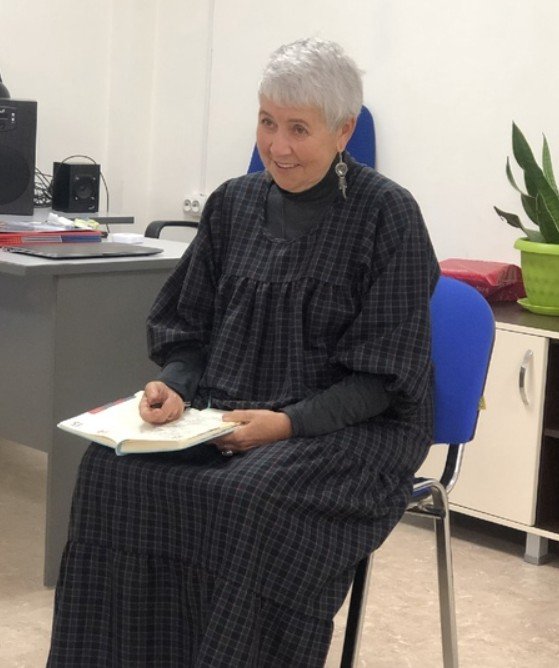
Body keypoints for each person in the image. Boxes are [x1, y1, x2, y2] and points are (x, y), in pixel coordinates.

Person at [48, 37, 440, 667]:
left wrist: (287, 424)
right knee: (110, 472)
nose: (277, 146)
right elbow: (190, 326)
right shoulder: (231, 204)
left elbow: (382, 380)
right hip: (226, 409)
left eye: (298, 129)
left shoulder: (387, 216)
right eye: (266, 121)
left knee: (248, 501)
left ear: (343, 131)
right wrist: (176, 385)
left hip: (352, 428)